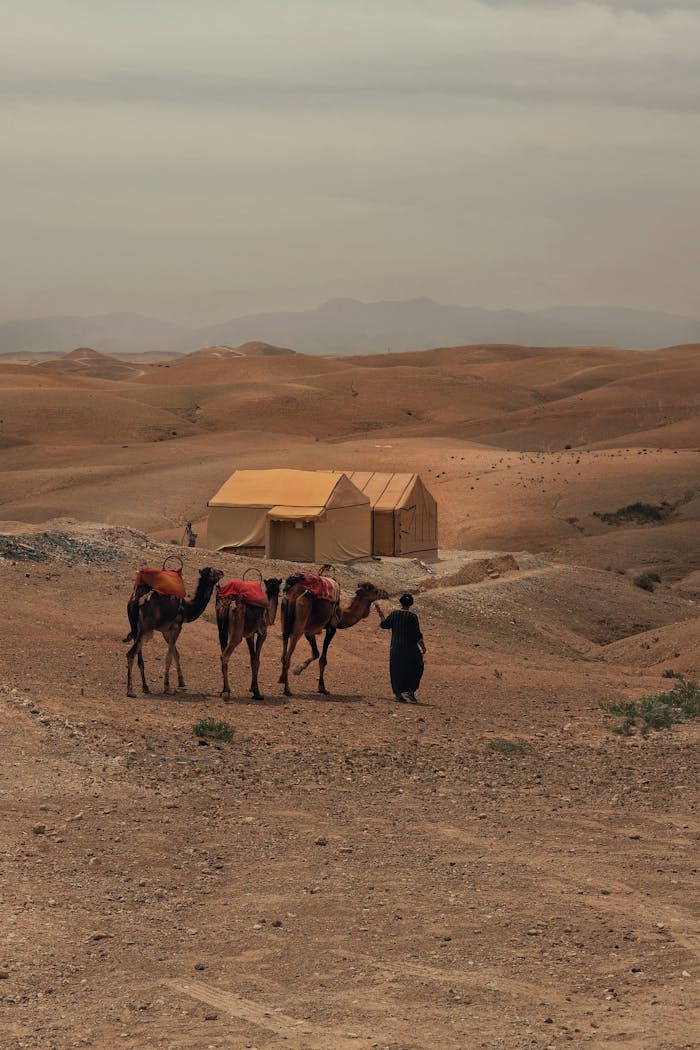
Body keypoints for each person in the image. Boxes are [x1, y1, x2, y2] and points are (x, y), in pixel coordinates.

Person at [375, 592, 426, 703]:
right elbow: (417, 635)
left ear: (401, 602)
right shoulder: (413, 617)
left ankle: (398, 694)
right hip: (411, 650)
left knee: (397, 671)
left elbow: (384, 625)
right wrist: (423, 648)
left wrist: (380, 613)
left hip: (396, 649)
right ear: (411, 604)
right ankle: (410, 691)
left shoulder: (394, 614)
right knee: (417, 667)